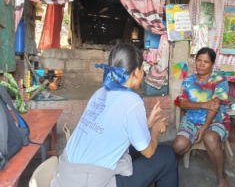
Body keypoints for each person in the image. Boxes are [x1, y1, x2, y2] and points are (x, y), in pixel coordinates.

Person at [51, 44, 178, 187]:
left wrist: (146, 123)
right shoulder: (132, 100)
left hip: (65, 175)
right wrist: (155, 129)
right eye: (143, 69)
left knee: (135, 150)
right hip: (90, 181)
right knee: (167, 155)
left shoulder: (100, 92)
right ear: (136, 71)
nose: (143, 74)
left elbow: (112, 128)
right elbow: (148, 152)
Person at [172, 47, 230, 187]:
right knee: (179, 145)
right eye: (199, 60)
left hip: (216, 120)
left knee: (210, 138)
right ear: (195, 61)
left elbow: (215, 106)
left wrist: (203, 128)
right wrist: (204, 104)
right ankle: (172, 167)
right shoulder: (188, 81)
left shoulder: (220, 79)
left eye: (206, 62)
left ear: (212, 64)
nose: (202, 64)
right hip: (191, 120)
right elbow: (183, 104)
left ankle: (221, 177)